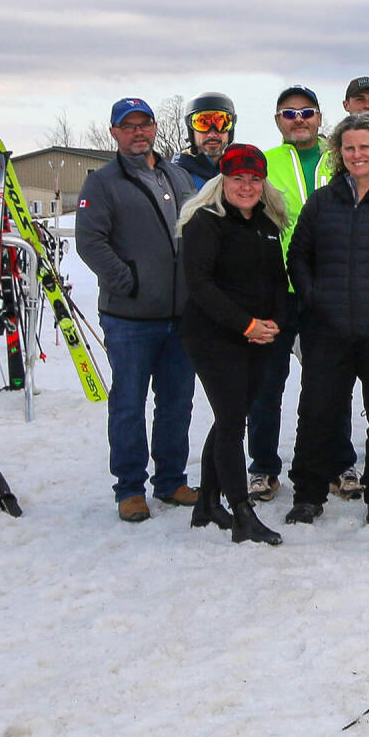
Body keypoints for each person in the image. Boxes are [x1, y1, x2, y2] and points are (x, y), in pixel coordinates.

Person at [283, 115, 369, 526]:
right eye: (349, 148)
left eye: (365, 146)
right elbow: (298, 256)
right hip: (329, 330)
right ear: (338, 153)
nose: (357, 155)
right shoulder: (324, 201)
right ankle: (307, 494)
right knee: (318, 413)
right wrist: (313, 297)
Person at [75, 98, 199, 522]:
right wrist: (129, 282)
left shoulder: (177, 175)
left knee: (177, 402)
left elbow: (199, 226)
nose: (137, 132)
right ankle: (129, 488)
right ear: (114, 132)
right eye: (127, 126)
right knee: (128, 403)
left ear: (154, 128)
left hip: (181, 316)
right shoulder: (102, 183)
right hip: (130, 319)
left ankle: (171, 480)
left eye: (144, 124)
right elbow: (91, 243)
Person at [177, 144, 288, 545]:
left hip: (258, 335)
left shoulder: (266, 222)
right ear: (222, 181)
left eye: (254, 179)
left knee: (233, 415)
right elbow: (201, 286)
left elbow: (278, 278)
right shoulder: (205, 222)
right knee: (230, 421)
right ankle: (242, 512)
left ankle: (207, 502)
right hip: (213, 336)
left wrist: (273, 322)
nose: (246, 186)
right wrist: (247, 325)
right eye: (238, 178)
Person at [248, 84, 347, 503]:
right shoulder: (265, 163)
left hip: (329, 291)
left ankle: (340, 462)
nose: (299, 120)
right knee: (267, 385)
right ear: (277, 121)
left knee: (331, 383)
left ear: (321, 118)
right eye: (289, 114)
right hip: (276, 292)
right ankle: (264, 467)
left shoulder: (343, 159)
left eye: (306, 113)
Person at [173, 92, 237, 187]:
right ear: (191, 129)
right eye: (202, 123)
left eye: (221, 123)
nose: (212, 134)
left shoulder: (244, 174)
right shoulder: (173, 177)